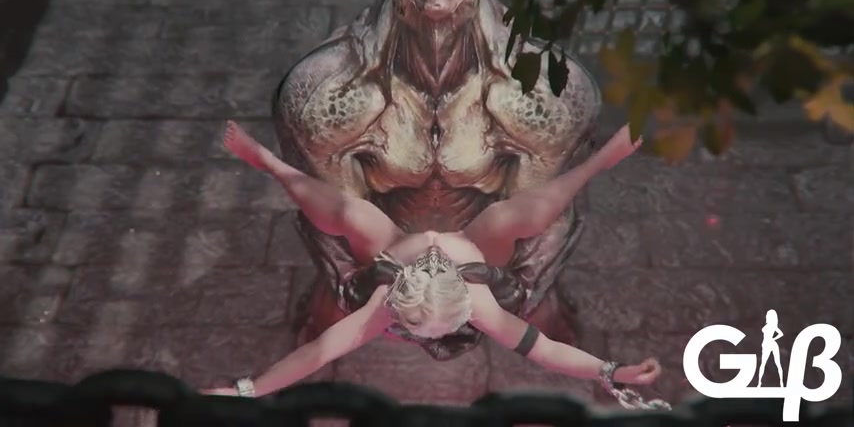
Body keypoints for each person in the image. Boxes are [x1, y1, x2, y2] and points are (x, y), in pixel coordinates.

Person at [203, 121, 662, 401]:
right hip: (469, 254)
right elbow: (545, 351)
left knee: (351, 215)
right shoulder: (450, 303)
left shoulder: (388, 303)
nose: (432, 245)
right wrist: (611, 371)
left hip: (407, 255)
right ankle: (601, 161)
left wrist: (247, 390)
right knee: (517, 216)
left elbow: (316, 354)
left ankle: (272, 165)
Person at [757, 309, 784, 387]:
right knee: (764, 363)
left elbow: (781, 334)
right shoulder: (770, 325)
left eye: (767, 315)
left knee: (776, 363)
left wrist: (773, 339)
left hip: (770, 344)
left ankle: (781, 382)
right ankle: (759, 382)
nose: (766, 316)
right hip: (767, 344)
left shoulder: (772, 326)